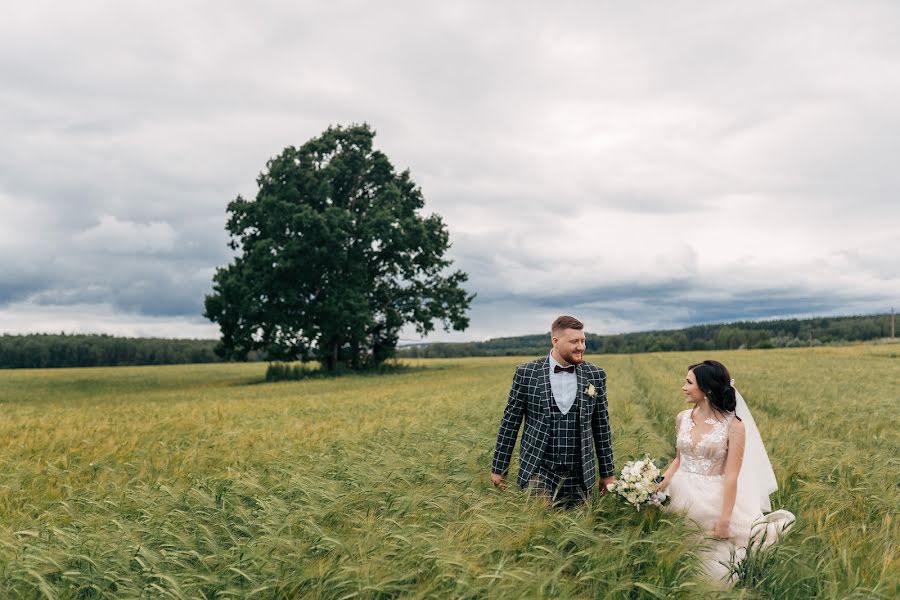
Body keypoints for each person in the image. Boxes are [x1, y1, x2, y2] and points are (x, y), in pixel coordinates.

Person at [658, 360, 795, 584]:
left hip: (712, 497)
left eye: (689, 382)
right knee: (677, 551)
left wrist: (725, 520)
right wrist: (659, 484)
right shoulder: (682, 418)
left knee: (711, 560)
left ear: (707, 388)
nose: (683, 387)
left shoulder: (734, 426)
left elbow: (732, 476)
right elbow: (679, 459)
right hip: (680, 492)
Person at [490, 315, 615, 507]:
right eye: (574, 341)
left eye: (583, 340)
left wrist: (607, 474)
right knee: (539, 526)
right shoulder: (527, 373)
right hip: (538, 467)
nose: (581, 346)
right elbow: (510, 423)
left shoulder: (596, 374)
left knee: (577, 532)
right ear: (555, 341)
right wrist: (499, 468)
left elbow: (601, 426)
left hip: (580, 472)